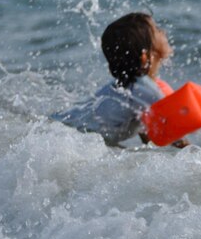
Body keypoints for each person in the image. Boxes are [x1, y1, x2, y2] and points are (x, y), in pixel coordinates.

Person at [51, 12, 189, 148]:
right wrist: (192, 152)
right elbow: (174, 136)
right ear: (145, 56)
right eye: (157, 30)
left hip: (64, 127)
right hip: (69, 135)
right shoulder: (146, 91)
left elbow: (145, 126)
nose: (163, 31)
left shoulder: (130, 87)